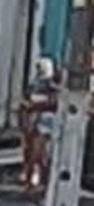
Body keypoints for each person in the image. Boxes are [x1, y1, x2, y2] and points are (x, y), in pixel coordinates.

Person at [20, 57, 59, 191]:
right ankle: (32, 180)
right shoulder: (33, 85)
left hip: (44, 122)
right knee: (32, 152)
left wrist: (34, 105)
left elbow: (54, 102)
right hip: (34, 121)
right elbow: (24, 102)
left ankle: (39, 181)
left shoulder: (53, 86)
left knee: (38, 153)